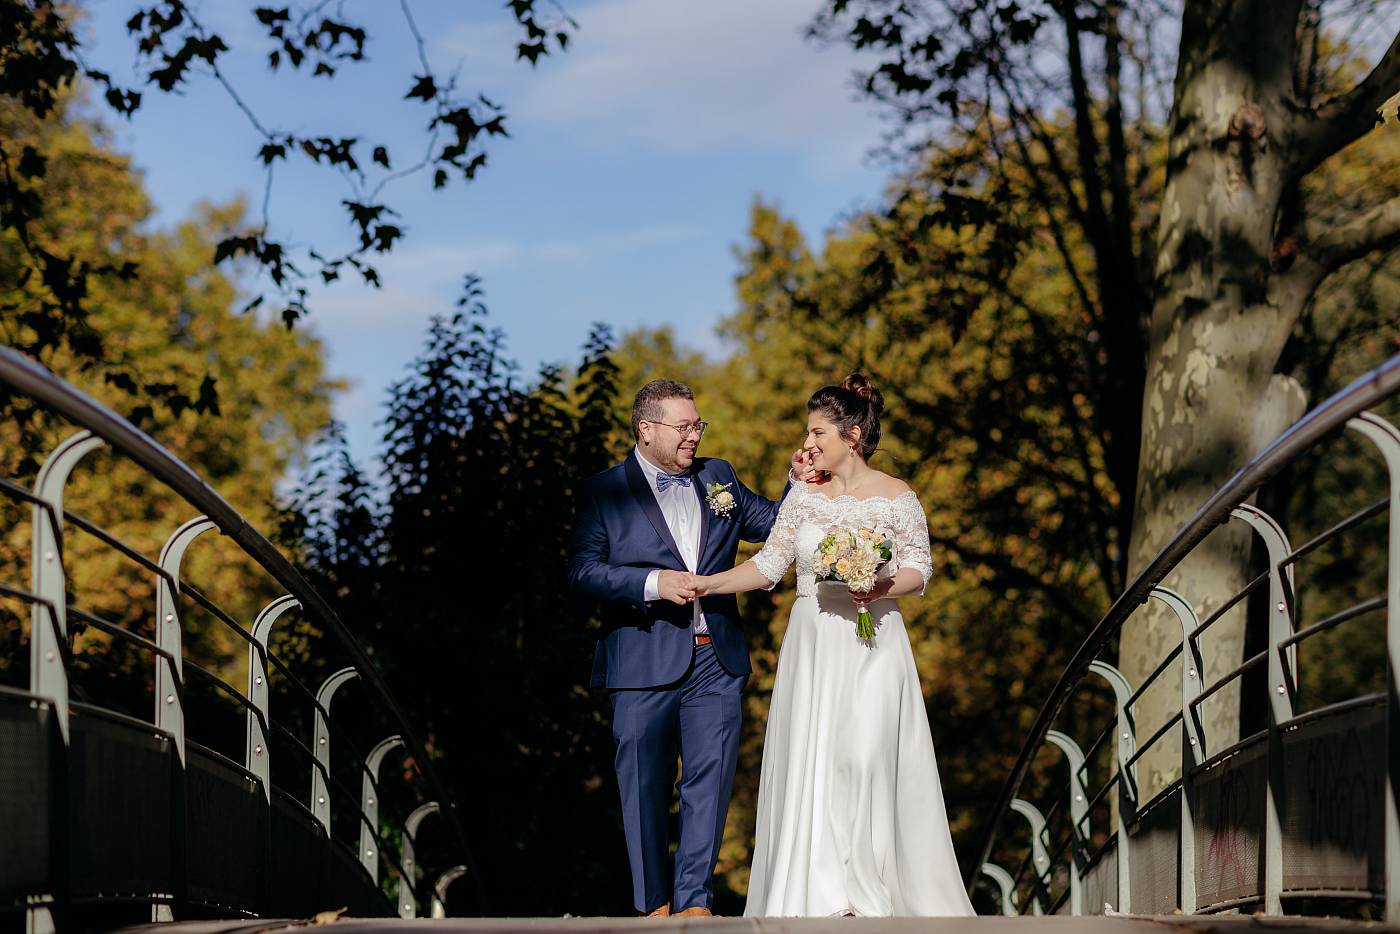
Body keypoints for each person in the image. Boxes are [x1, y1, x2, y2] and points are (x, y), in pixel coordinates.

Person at [690, 374, 975, 918]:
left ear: (853, 436)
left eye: (818, 432)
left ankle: (870, 890)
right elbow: (769, 564)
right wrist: (708, 583)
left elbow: (921, 567)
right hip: (815, 642)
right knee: (818, 759)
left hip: (875, 640)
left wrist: (880, 586)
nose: (809, 442)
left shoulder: (897, 495)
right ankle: (827, 894)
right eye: (809, 432)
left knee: (866, 754)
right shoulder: (804, 496)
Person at [566, 379, 816, 917]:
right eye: (683, 427)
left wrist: (797, 483)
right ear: (646, 429)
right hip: (641, 659)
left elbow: (775, 527)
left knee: (710, 780)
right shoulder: (602, 492)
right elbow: (582, 572)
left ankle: (695, 904)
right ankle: (652, 906)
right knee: (644, 785)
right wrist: (654, 583)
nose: (694, 436)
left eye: (697, 425)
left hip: (715, 660)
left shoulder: (718, 476)